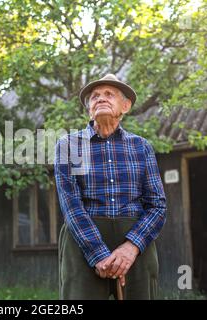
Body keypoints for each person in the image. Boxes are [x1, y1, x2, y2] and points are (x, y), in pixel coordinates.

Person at [54, 74, 167, 300]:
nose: (100, 99)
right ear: (89, 109)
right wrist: (98, 255)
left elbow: (157, 206)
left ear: (125, 106)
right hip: (82, 241)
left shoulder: (141, 147)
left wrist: (130, 247)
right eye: (94, 96)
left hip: (136, 243)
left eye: (109, 94)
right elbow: (71, 206)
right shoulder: (69, 145)